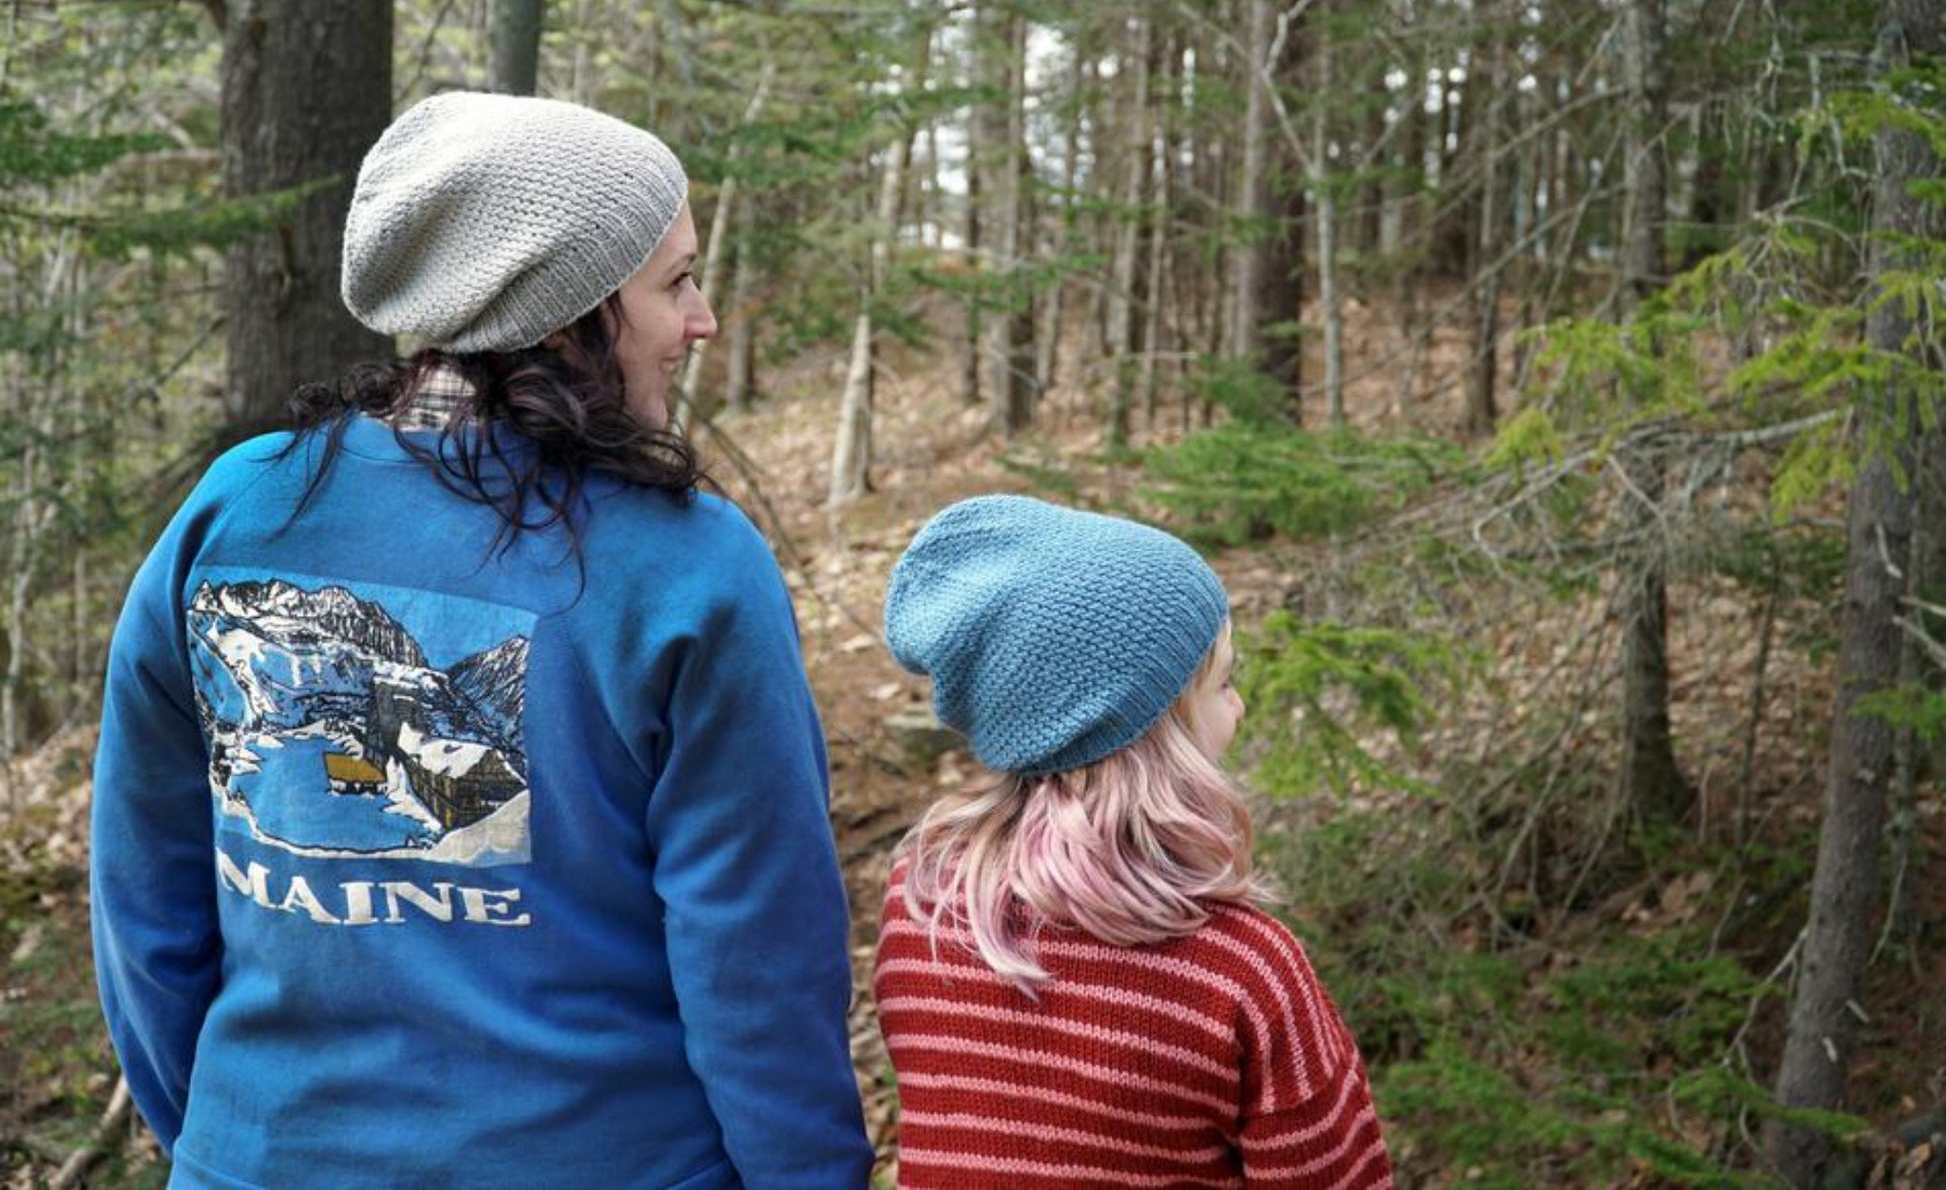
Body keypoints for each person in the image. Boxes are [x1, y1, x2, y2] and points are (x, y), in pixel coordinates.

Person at [91, 92, 873, 1189]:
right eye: (676, 282)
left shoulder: (236, 508)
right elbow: (757, 962)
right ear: (566, 312)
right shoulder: (689, 565)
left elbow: (143, 901)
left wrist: (227, 1136)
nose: (700, 323)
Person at [874, 494, 1395, 1188]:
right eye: (1222, 682)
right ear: (1146, 732)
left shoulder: (923, 909)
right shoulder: (1241, 972)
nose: (1239, 705)